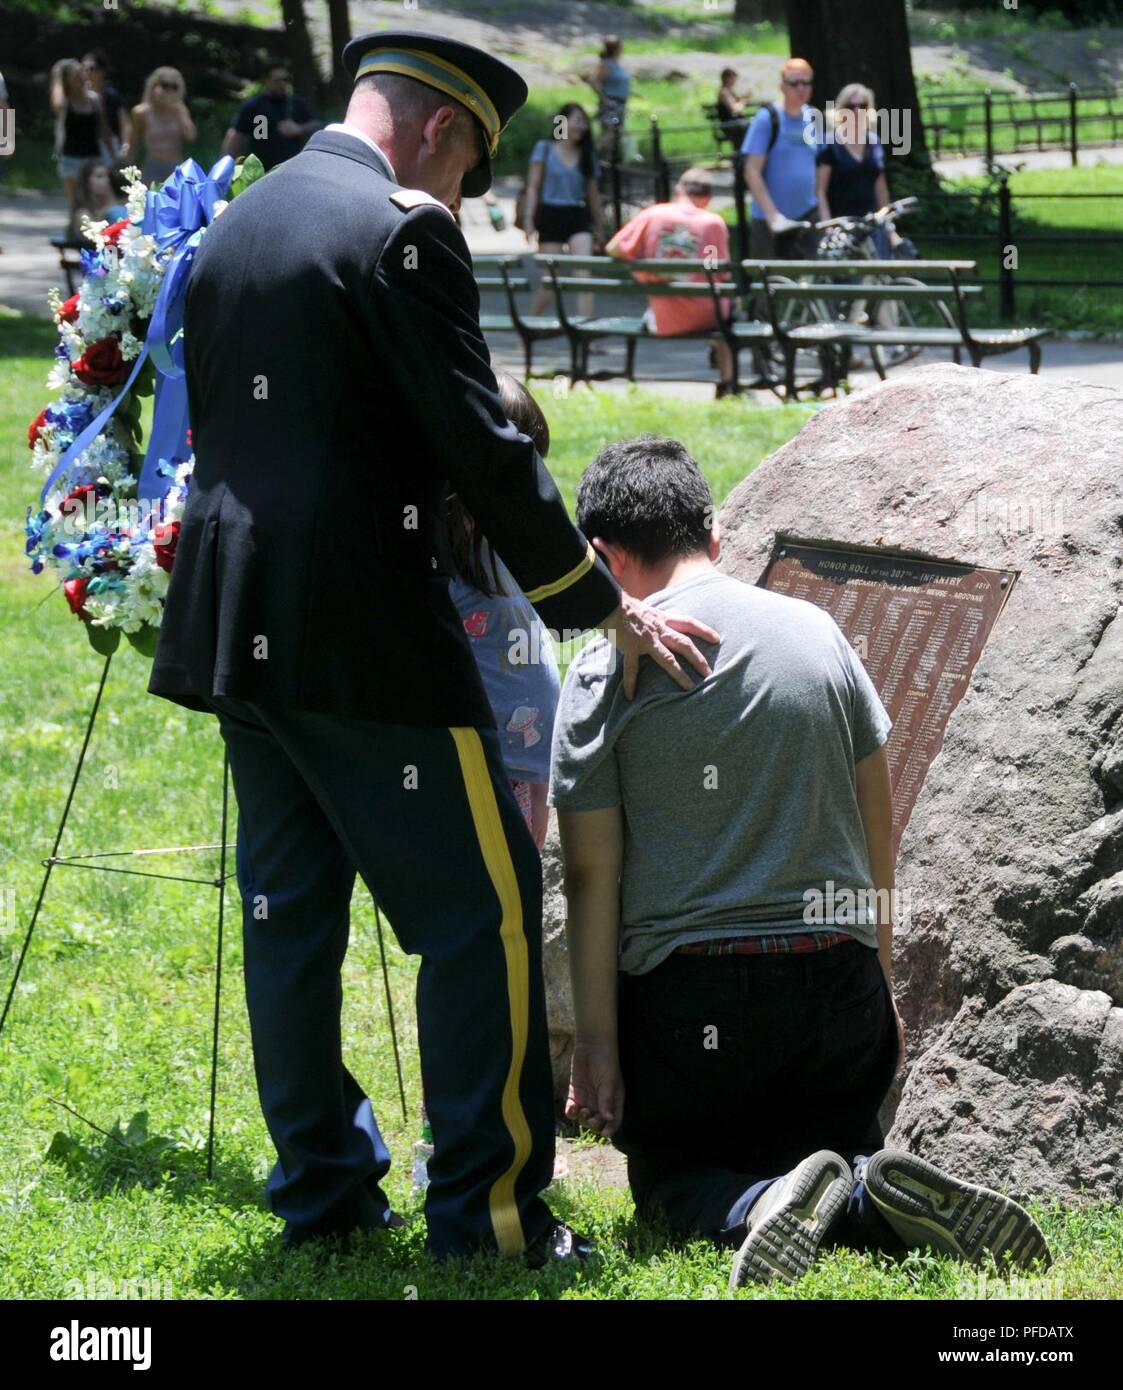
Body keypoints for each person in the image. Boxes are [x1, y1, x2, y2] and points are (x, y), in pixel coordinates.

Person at [148, 28, 716, 1263]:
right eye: (468, 169)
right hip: (363, 636)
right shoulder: (403, 231)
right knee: (486, 917)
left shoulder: (240, 223)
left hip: (236, 627)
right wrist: (592, 601)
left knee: (287, 915)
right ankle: (490, 1215)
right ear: (446, 131)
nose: (459, 194)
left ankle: (324, 1195)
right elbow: (481, 444)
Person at [551, 435, 1052, 1289]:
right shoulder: (818, 632)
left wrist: (597, 1042)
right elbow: (875, 826)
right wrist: (879, 980)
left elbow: (592, 875)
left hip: (696, 1003)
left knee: (670, 1183)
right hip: (835, 989)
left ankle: (758, 1204)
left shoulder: (606, 671)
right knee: (835, 1146)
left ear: (603, 556)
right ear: (712, 536)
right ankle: (858, 1191)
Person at [446, 373, 560, 851]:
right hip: (478, 766)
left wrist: (541, 782)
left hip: (523, 765)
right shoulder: (443, 552)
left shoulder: (499, 541)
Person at [605, 167, 735, 398]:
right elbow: (719, 273)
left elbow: (614, 248)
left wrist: (644, 268)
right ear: (707, 198)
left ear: (678, 190)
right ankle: (727, 382)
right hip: (708, 317)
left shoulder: (652, 214)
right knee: (727, 310)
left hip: (664, 317)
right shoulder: (713, 223)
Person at [524, 102, 604, 319]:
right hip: (550, 215)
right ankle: (530, 326)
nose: (582, 126)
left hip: (577, 215)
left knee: (583, 277)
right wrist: (528, 220)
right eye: (577, 120)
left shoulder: (587, 154)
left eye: (584, 121)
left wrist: (599, 227)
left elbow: (593, 196)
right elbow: (533, 186)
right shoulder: (545, 148)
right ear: (562, 122)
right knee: (551, 283)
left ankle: (586, 333)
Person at [741, 56, 820, 261]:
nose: (801, 88)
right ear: (782, 87)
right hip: (770, 222)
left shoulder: (812, 117)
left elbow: (817, 167)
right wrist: (772, 215)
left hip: (807, 217)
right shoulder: (767, 118)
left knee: (811, 285)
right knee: (769, 287)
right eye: (794, 83)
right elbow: (752, 171)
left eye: (806, 83)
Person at [817, 82, 902, 258]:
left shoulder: (874, 142)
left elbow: (881, 189)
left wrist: (889, 229)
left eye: (862, 106)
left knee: (882, 279)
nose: (857, 112)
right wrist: (828, 227)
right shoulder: (830, 144)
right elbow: (819, 191)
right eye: (851, 106)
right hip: (842, 227)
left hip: (872, 226)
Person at [221, 59, 320, 172]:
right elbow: (236, 137)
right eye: (277, 80)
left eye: (285, 80)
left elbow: (316, 125)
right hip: (262, 171)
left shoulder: (296, 103)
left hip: (294, 167)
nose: (282, 84)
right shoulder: (253, 106)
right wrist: (227, 167)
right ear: (266, 80)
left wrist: (299, 129)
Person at [50, 59, 115, 231]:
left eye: (82, 73)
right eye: (76, 75)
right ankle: (74, 236)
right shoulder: (66, 101)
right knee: (76, 203)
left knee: (94, 201)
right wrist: (58, 77)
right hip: (70, 158)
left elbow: (104, 130)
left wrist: (113, 156)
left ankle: (94, 236)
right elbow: (57, 105)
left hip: (93, 158)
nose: (81, 77)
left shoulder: (94, 99)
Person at [129, 67, 195, 186]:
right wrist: (128, 167)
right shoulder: (141, 112)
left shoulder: (179, 109)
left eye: (174, 87)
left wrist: (178, 112)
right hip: (153, 166)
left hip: (176, 166)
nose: (169, 90)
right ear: (154, 86)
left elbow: (191, 136)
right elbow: (134, 142)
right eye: (165, 85)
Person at [82, 49, 128, 163]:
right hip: (83, 145)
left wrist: (126, 147)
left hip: (109, 145)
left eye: (92, 69)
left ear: (103, 71)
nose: (87, 72)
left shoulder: (113, 96)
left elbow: (125, 124)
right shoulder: (77, 97)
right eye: (83, 69)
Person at [590, 34, 630, 153]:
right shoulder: (606, 64)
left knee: (617, 134)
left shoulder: (617, 64)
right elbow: (594, 81)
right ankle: (597, 159)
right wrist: (604, 98)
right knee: (609, 133)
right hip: (611, 104)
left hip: (620, 104)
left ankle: (611, 163)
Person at [71, 157, 129, 238]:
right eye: (99, 176)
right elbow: (95, 236)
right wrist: (106, 210)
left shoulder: (115, 203)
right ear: (87, 182)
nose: (107, 180)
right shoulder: (82, 213)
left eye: (108, 176)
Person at [715, 67, 748, 149]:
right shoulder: (724, 92)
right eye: (733, 78)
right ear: (727, 78)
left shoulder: (730, 91)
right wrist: (743, 100)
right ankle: (741, 156)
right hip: (729, 125)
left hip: (734, 124)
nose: (734, 81)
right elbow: (735, 109)